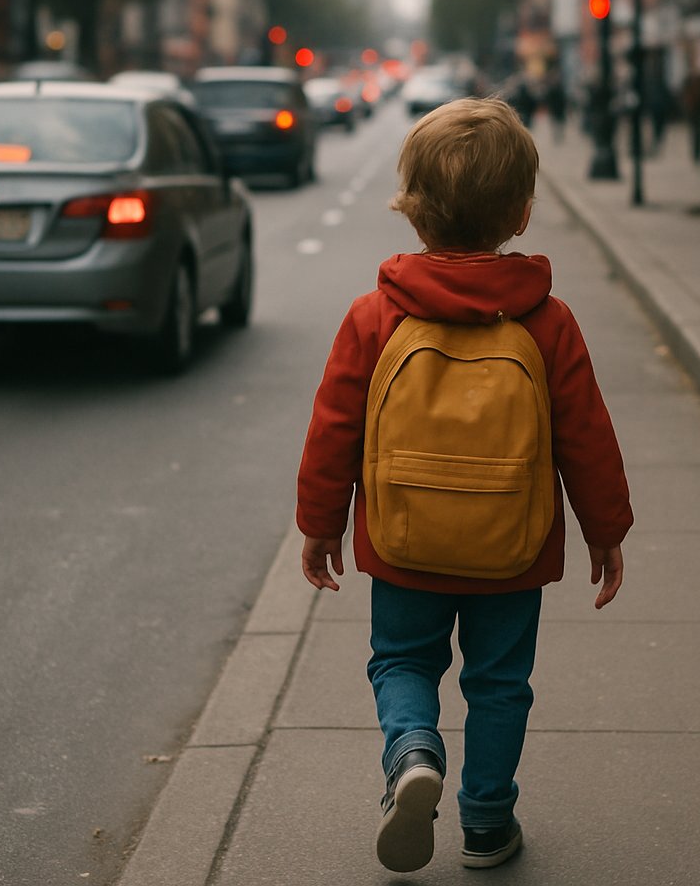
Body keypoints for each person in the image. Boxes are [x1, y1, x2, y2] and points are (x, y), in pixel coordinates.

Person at [297, 97, 633, 874]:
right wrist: (606, 530)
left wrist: (321, 523)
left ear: (412, 211)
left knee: (403, 662)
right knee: (500, 682)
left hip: (404, 536)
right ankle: (486, 823)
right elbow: (587, 436)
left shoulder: (374, 316)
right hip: (512, 548)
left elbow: (335, 429)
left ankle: (413, 750)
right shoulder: (548, 323)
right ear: (520, 214)